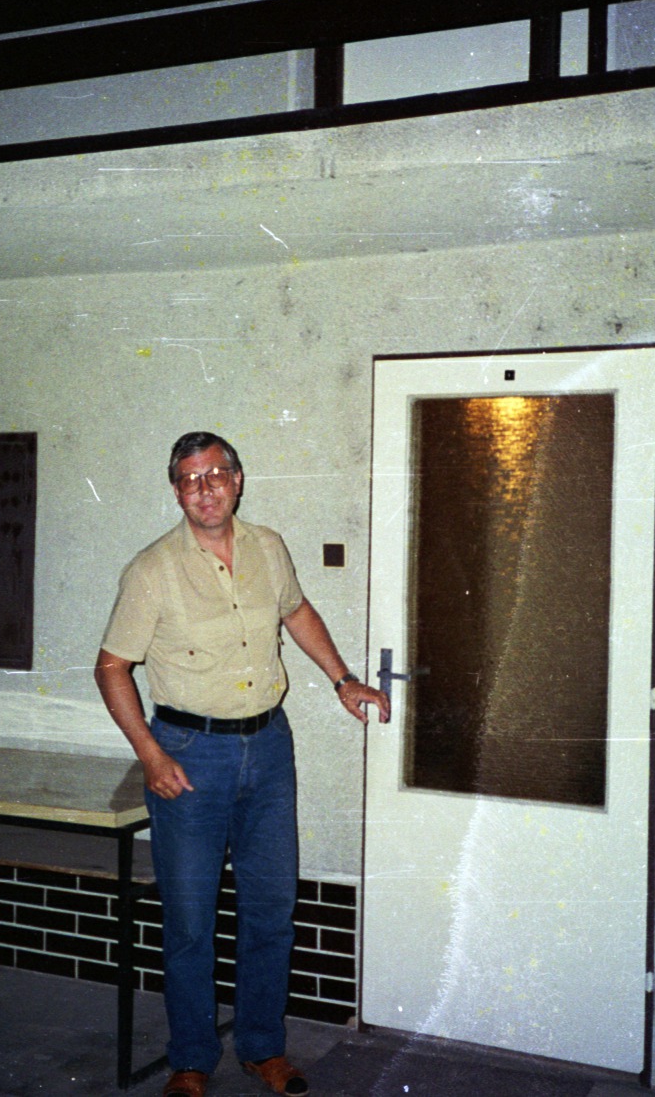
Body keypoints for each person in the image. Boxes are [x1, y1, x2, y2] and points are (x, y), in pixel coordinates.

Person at [95, 432, 389, 1097]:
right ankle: (191, 1060)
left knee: (270, 909)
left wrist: (343, 678)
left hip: (270, 749)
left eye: (216, 474)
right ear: (176, 490)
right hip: (190, 757)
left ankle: (262, 1048)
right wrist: (150, 752)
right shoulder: (152, 569)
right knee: (191, 919)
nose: (205, 488)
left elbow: (296, 609)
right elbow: (112, 666)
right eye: (189, 479)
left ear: (237, 479)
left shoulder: (269, 548)